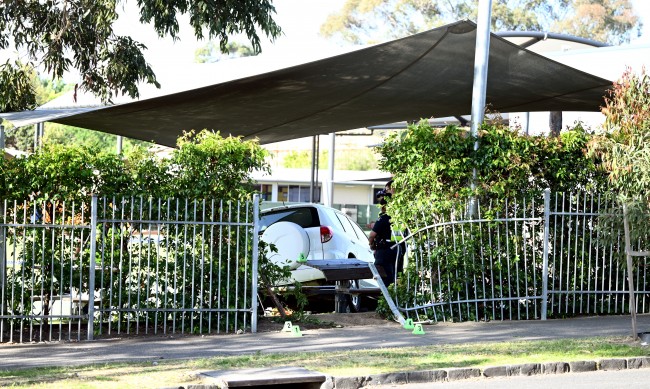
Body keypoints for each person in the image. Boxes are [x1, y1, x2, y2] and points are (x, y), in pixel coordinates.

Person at [368, 180, 399, 286]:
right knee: (394, 277)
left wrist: (371, 244)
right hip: (397, 249)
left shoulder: (384, 218)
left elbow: (372, 235)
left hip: (385, 251)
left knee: (384, 279)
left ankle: (386, 300)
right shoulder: (398, 217)